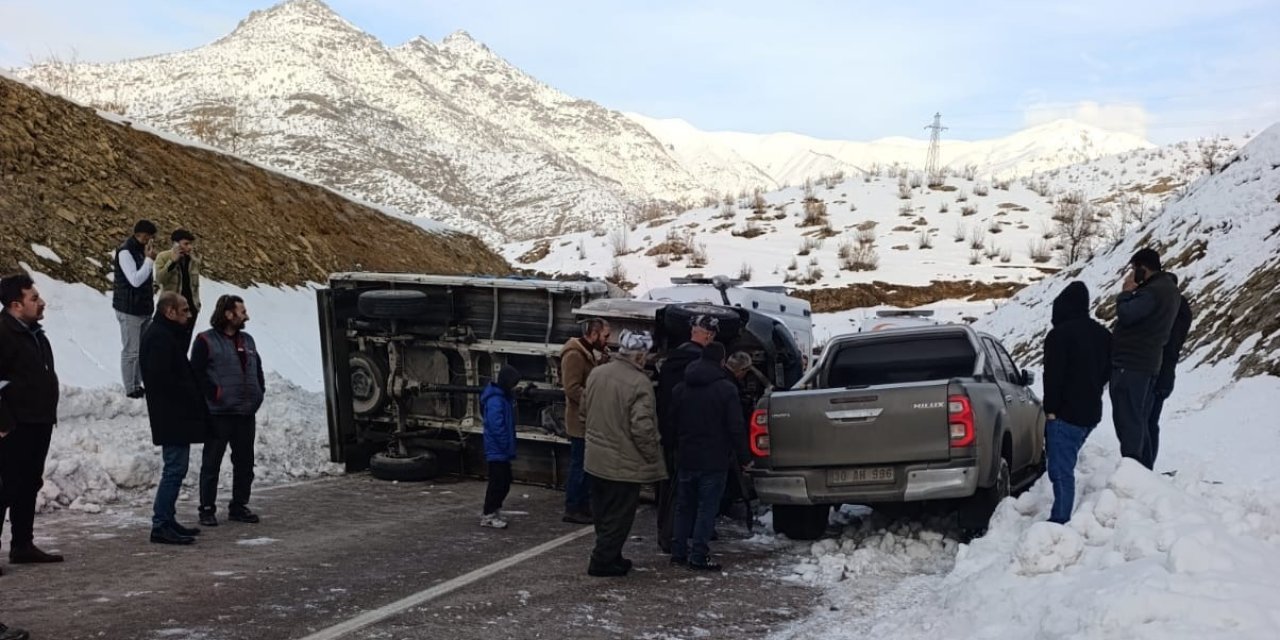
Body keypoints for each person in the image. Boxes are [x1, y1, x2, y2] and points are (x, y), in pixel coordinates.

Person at [582, 330, 664, 577]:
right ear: (640, 355)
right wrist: (652, 456)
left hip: (595, 458)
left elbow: (583, 409)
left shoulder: (597, 373)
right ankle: (602, 562)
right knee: (619, 517)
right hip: (623, 463)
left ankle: (611, 555)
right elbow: (642, 427)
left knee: (603, 513)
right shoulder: (640, 383)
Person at [0, 273, 64, 564]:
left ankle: (22, 544)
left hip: (38, 420)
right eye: (34, 298)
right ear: (16, 305)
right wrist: (3, 422)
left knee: (29, 483)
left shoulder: (35, 333)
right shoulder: (3, 334)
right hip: (14, 425)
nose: (42, 303)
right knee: (6, 486)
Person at [669, 342, 749, 570]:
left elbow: (671, 423)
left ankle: (678, 552)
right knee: (707, 508)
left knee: (684, 506)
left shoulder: (680, 388)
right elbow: (735, 427)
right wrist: (744, 458)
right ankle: (699, 555)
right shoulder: (726, 390)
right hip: (714, 459)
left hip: (686, 456)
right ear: (722, 362)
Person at [141, 292, 208, 545]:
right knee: (174, 469)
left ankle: (167, 519)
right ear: (169, 311)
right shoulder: (159, 337)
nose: (189, 316)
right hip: (171, 416)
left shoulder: (164, 334)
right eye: (184, 311)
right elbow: (164, 380)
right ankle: (161, 523)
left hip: (174, 414)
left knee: (176, 469)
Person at [1042, 281, 1111, 524]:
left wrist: (1050, 410)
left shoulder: (1059, 336)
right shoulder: (1103, 334)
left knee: (1060, 471)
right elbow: (1107, 372)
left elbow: (1052, 376)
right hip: (1091, 412)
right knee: (1066, 464)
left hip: (1064, 414)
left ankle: (1059, 520)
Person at [193, 295, 265, 527]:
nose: (247, 316)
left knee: (245, 462)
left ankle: (239, 505)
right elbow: (197, 374)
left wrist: (259, 392)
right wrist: (215, 395)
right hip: (219, 414)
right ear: (228, 314)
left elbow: (257, 370)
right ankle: (206, 508)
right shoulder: (205, 340)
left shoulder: (249, 341)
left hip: (245, 413)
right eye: (242, 312)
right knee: (212, 462)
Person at [1110, 248, 1181, 469]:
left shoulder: (1153, 292)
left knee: (1128, 420)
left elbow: (1128, 314)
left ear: (1143, 268)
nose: (1132, 275)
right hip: (1147, 364)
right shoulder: (1168, 290)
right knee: (1140, 420)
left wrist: (1126, 292)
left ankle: (1133, 470)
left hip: (1132, 364)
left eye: (1134, 270)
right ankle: (1144, 471)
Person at [654, 314, 718, 553]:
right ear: (707, 336)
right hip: (687, 435)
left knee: (670, 486)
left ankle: (669, 534)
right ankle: (671, 536)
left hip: (669, 431)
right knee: (680, 491)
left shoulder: (673, 359)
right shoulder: (696, 363)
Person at [559, 318, 610, 524]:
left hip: (589, 419)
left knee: (587, 465)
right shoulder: (574, 355)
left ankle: (583, 505)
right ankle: (573, 507)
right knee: (579, 464)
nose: (607, 340)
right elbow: (571, 388)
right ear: (594, 334)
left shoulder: (589, 354)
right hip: (580, 421)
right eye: (605, 336)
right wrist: (594, 401)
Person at [1147, 279, 1192, 469]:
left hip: (1157, 369)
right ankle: (1146, 464)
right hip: (1167, 371)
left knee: (1146, 421)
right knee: (1151, 421)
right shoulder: (1182, 308)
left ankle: (1144, 466)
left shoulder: (1170, 307)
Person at [115, 219, 159, 398]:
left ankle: (138, 383)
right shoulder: (126, 252)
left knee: (142, 349)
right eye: (149, 236)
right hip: (129, 308)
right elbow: (135, 280)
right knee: (131, 350)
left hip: (143, 308)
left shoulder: (140, 251)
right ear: (142, 235)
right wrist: (149, 260)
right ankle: (130, 387)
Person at [480, 365, 521, 529]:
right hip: (497, 449)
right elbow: (497, 426)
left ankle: (493, 510)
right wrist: (506, 445)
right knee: (499, 482)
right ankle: (489, 513)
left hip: (499, 449)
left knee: (502, 481)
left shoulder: (500, 397)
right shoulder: (497, 400)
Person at [154, 228, 202, 346]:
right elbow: (160, 279)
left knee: (184, 346)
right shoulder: (163, 257)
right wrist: (173, 262)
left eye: (190, 244)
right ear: (176, 244)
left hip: (190, 310)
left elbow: (194, 286)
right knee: (167, 345)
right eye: (186, 244)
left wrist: (196, 307)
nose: (190, 247)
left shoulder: (193, 260)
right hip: (171, 311)